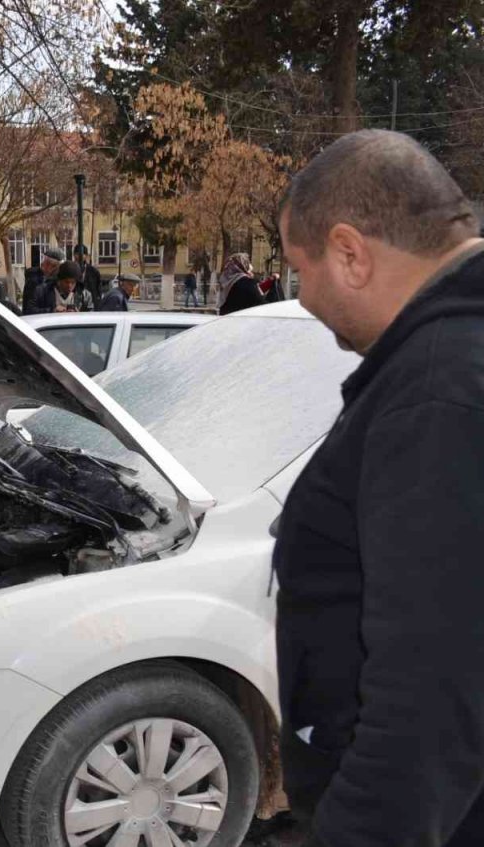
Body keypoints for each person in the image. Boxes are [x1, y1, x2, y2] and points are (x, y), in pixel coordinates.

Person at [275, 128, 484, 846]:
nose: (301, 299)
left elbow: (430, 691)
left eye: (299, 270)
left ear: (350, 253)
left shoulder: (439, 390)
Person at [22, 247, 63, 315]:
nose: (58, 271)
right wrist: (52, 310)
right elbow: (29, 310)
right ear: (50, 265)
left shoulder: (49, 279)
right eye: (57, 267)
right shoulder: (34, 281)